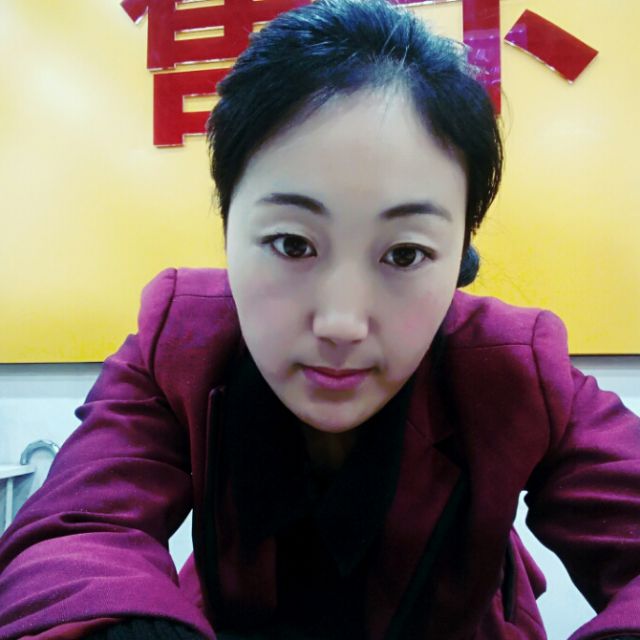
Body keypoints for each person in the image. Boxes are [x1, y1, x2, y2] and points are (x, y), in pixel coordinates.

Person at [0, 0, 639, 638]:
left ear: (459, 259)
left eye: (405, 254)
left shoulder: (514, 366)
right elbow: (76, 532)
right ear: (228, 228)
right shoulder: (180, 341)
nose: (341, 322)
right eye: (292, 243)